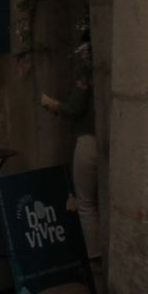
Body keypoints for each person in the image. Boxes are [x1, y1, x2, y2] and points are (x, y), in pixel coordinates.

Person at [41, 64, 99, 261]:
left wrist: (54, 105)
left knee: (85, 204)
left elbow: (75, 108)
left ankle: (94, 256)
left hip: (88, 140)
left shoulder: (86, 71)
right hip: (102, 140)